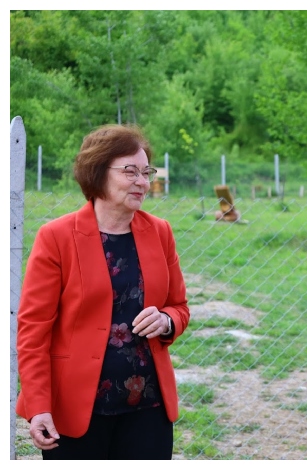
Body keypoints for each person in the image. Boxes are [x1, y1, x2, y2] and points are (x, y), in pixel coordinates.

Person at [15, 124, 190, 459]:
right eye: (130, 171)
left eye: (146, 171)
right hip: (76, 411)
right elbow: (33, 331)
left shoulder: (160, 232)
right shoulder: (57, 237)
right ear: (97, 173)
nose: (142, 181)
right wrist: (39, 406)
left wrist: (167, 321)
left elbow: (179, 306)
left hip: (148, 407)